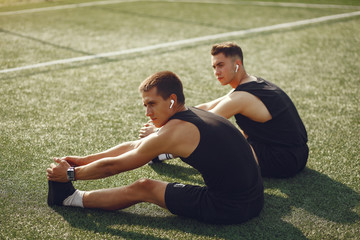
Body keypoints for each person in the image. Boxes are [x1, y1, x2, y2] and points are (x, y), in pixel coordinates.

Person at [47, 71, 263, 224]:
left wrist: (69, 174)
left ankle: (70, 199)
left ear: (171, 100)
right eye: (145, 105)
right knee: (147, 182)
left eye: (152, 104)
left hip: (230, 208)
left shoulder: (176, 131)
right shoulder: (194, 113)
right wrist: (85, 160)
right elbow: (135, 145)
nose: (147, 113)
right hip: (255, 198)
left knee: (144, 187)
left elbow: (114, 167)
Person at [139, 42, 308, 178]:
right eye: (214, 67)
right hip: (293, 151)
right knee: (236, 135)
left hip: (285, 159)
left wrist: (158, 131)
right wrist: (171, 114)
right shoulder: (250, 84)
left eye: (220, 65)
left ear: (237, 65)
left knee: (216, 140)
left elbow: (200, 123)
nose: (216, 72)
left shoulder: (242, 98)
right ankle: (163, 153)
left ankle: (163, 150)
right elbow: (206, 107)